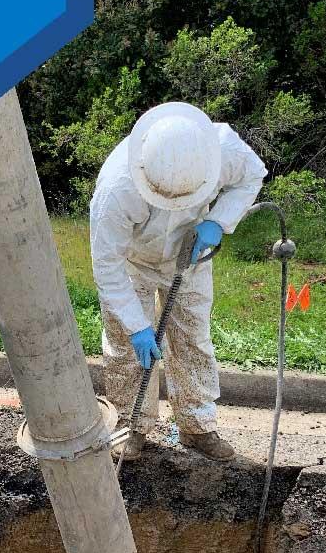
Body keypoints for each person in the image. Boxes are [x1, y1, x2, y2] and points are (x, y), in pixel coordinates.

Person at [90, 100, 267, 462]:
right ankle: (130, 424)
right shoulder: (116, 188)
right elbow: (106, 266)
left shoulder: (222, 149)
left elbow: (252, 175)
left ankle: (197, 425)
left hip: (191, 253)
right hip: (132, 263)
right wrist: (139, 327)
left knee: (192, 339)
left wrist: (219, 220)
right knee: (126, 347)